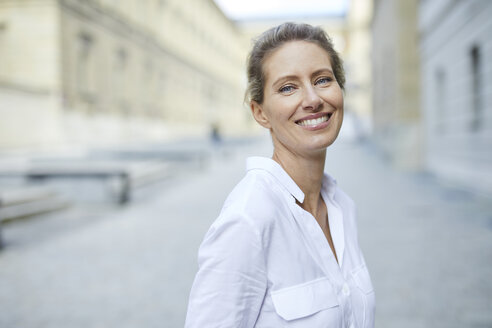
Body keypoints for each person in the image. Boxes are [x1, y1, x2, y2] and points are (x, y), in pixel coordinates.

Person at [185, 22, 375, 328]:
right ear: (260, 113)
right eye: (288, 87)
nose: (313, 99)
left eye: (323, 80)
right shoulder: (248, 220)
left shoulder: (342, 208)